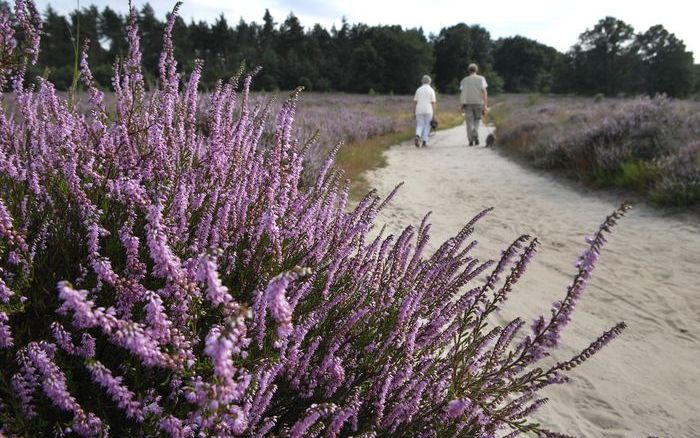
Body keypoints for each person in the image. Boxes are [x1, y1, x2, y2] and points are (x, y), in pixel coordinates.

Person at [459, 63, 488, 146]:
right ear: (476, 70)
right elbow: (484, 92)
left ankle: (471, 140)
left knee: (469, 122)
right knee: (477, 120)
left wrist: (461, 105)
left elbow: (462, 92)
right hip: (478, 102)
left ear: (468, 70)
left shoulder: (464, 80)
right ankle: (475, 131)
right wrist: (485, 105)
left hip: (467, 103)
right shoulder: (481, 79)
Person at [413, 74, 437, 148]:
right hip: (428, 110)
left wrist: (413, 111)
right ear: (430, 82)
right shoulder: (431, 90)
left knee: (420, 125)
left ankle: (417, 135)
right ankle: (424, 142)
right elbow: (433, 103)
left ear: (422, 81)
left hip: (419, 110)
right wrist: (434, 114)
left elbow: (415, 102)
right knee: (427, 126)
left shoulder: (418, 89)